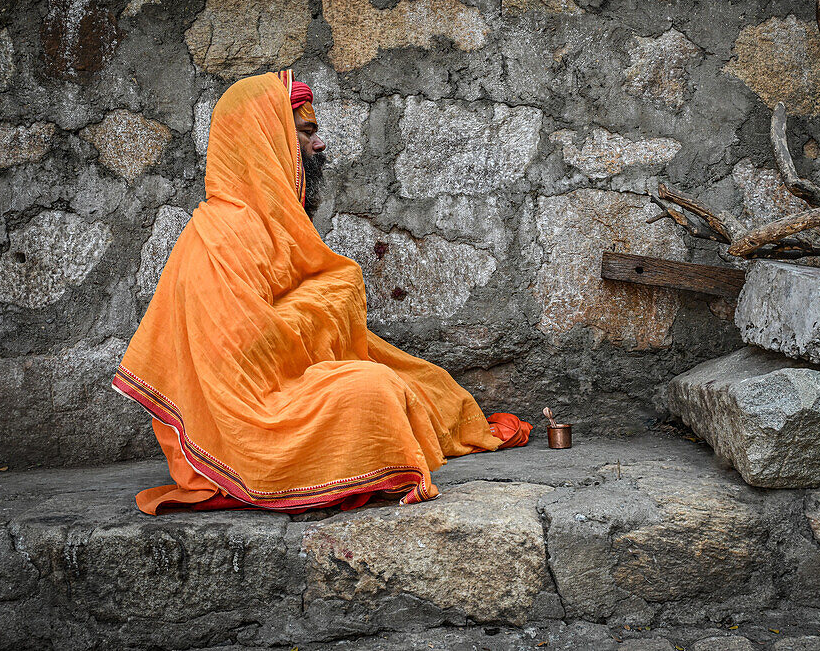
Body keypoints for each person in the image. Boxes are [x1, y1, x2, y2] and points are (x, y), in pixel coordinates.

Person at [112, 70, 530, 515]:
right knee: (376, 390)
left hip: (289, 389)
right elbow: (240, 354)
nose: (320, 144)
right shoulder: (222, 233)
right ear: (268, 140)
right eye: (307, 132)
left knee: (423, 386)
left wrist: (328, 296)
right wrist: (329, 296)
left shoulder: (276, 224)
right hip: (245, 421)